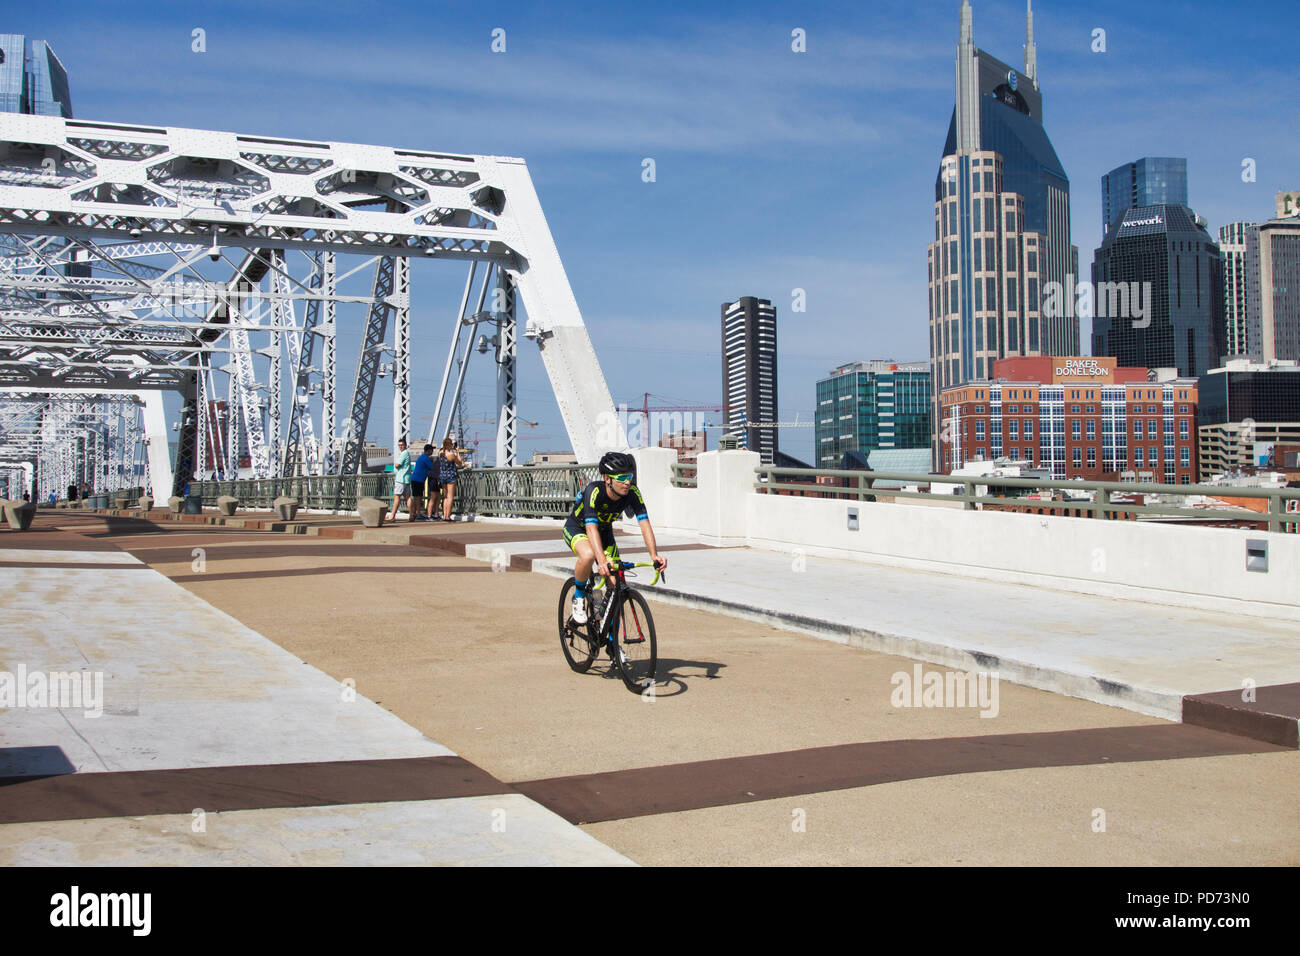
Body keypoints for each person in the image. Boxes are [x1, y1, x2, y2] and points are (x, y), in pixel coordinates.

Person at [563, 451, 667, 626]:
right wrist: (601, 561)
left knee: (615, 585)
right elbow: (590, 528)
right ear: (607, 479)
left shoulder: (632, 492)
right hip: (578, 528)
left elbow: (644, 523)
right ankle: (579, 596)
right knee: (588, 555)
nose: (627, 481)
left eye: (630, 476)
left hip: (604, 533)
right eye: (622, 477)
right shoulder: (594, 491)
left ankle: (612, 644)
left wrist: (654, 555)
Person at [435, 438, 464, 522]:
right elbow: (460, 462)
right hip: (451, 476)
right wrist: (458, 452)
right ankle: (448, 516)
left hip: (442, 476)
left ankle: (444, 515)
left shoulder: (440, 453)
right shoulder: (451, 454)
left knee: (445, 497)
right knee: (450, 496)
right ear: (450, 445)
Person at [409, 443, 436, 522]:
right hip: (418, 480)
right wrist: (433, 461)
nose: (432, 452)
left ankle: (413, 514)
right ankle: (418, 514)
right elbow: (433, 467)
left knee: (416, 497)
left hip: (415, 479)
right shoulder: (426, 458)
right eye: (431, 450)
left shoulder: (422, 457)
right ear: (428, 451)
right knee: (418, 497)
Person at [389, 438, 413, 522]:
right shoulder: (407, 453)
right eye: (399, 445)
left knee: (396, 496)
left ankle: (392, 516)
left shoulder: (403, 454)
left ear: (405, 445)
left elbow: (397, 465)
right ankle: (411, 515)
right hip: (406, 479)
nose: (400, 447)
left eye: (402, 445)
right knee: (407, 497)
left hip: (401, 478)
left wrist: (396, 464)